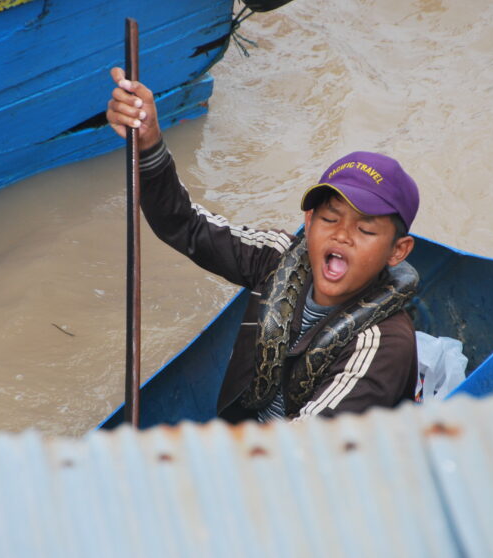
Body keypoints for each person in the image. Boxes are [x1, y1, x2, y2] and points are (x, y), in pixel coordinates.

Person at [107, 67, 420, 422]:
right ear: (308, 222)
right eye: (330, 219)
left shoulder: (384, 343)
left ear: (398, 251)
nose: (342, 235)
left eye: (365, 230)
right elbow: (185, 225)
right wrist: (148, 143)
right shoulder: (277, 256)